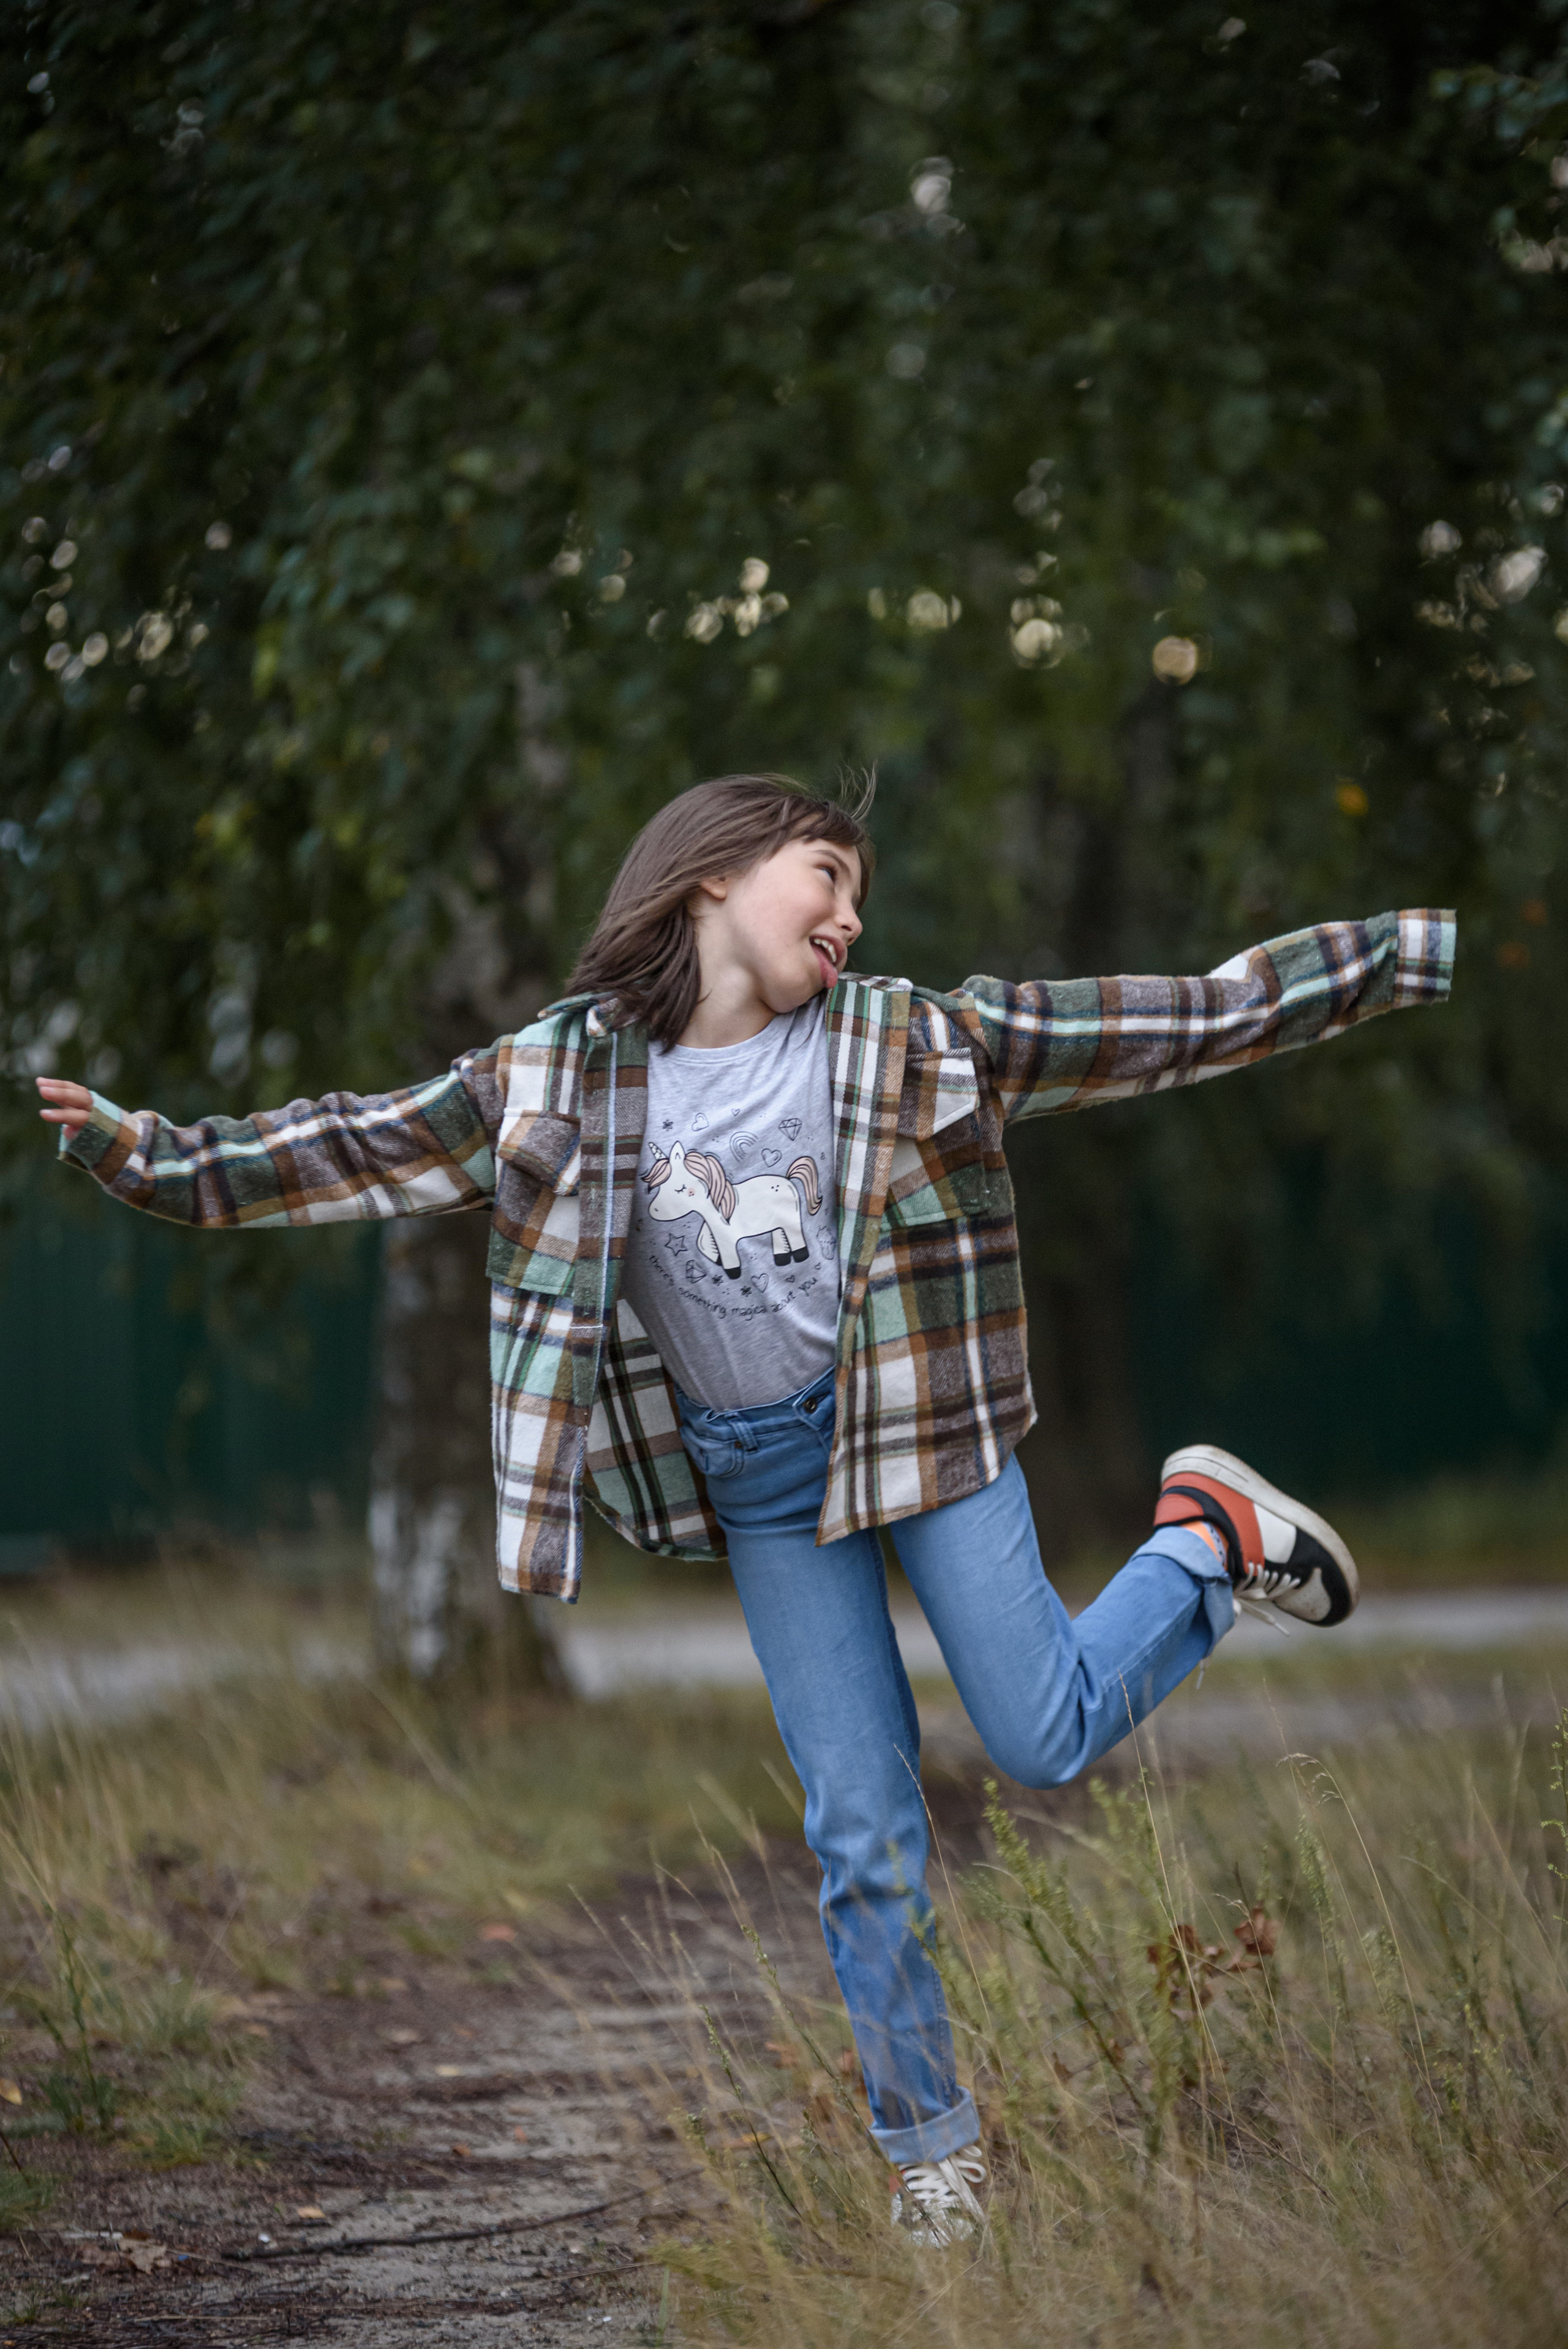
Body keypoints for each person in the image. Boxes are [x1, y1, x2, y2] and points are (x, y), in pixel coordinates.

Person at [38, 771, 1455, 2244]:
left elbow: (1184, 1016)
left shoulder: (912, 1040)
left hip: (921, 1430)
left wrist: (1406, 951)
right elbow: (350, 1147)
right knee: (860, 1828)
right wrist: (149, 1154)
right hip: (761, 1482)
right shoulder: (553, 1080)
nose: (848, 916)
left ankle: (1207, 1540)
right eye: (826, 877)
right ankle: (930, 2155)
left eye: (858, 898)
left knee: (1039, 1737)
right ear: (710, 873)